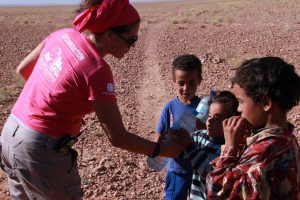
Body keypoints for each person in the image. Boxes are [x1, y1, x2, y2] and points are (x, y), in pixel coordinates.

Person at [0, 0, 181, 199]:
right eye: (132, 39)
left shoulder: (63, 34)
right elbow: (118, 137)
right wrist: (160, 150)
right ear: (110, 34)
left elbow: (24, 70)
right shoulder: (97, 70)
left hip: (11, 134)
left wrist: (63, 107)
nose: (133, 46)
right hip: (39, 150)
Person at [206, 57, 300, 199]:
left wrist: (230, 148)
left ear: (266, 103)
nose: (238, 110)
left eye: (241, 102)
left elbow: (219, 192)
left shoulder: (264, 151)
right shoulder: (287, 139)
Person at [155, 54, 205, 200]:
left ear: (199, 81)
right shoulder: (169, 107)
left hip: (199, 169)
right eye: (181, 83)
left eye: (191, 83)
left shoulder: (204, 108)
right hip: (176, 168)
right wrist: (160, 145)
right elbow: (159, 133)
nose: (186, 88)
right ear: (174, 82)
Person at [178, 90, 239, 200]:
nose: (209, 121)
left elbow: (210, 173)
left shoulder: (228, 149)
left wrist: (189, 147)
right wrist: (173, 138)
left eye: (217, 118)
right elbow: (180, 152)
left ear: (230, 122)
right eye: (209, 115)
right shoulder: (199, 136)